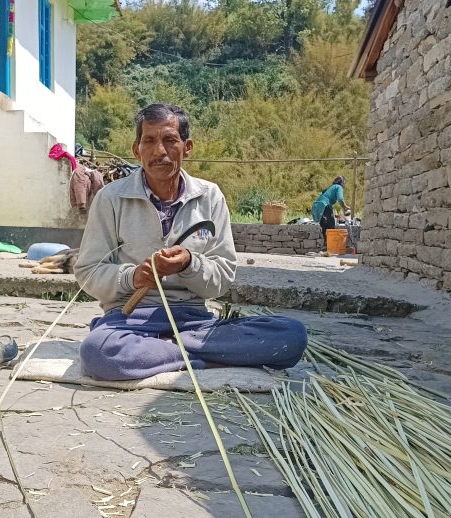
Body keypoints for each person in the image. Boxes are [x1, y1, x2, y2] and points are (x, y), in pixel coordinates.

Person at [73, 103, 308, 381]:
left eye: (170, 140)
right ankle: (206, 358)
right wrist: (132, 276)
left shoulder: (210, 197)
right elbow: (88, 271)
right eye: (149, 141)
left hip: (195, 322)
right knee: (99, 352)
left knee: (291, 336)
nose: (160, 151)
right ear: (137, 149)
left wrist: (190, 263)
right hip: (130, 319)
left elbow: (222, 278)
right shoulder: (111, 198)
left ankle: (164, 354)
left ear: (187, 147)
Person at [311, 176, 351, 249]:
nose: (344, 185)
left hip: (317, 207)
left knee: (325, 226)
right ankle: (330, 246)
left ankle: (325, 246)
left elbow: (323, 194)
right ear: (341, 182)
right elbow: (340, 199)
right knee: (331, 225)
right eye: (344, 183)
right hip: (324, 205)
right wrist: (345, 207)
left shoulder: (330, 187)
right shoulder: (338, 187)